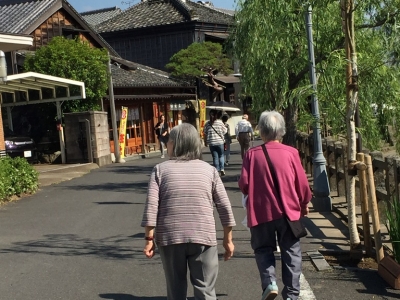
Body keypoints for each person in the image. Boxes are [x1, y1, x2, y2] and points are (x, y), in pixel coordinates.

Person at [142, 123, 236, 300]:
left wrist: (149, 239)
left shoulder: (160, 170)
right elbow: (224, 206)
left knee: (176, 290)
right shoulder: (210, 171)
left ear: (176, 144)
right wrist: (228, 240)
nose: (167, 144)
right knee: (206, 290)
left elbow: (151, 207)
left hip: (170, 238)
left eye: (169, 141)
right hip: (203, 237)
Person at [238, 111, 312, 300]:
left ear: (261, 131)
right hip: (288, 213)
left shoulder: (251, 155)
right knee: (291, 252)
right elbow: (302, 184)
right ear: (282, 132)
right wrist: (303, 203)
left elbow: (244, 185)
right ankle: (292, 295)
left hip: (261, 211)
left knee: (263, 249)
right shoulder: (292, 153)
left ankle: (270, 283)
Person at [203, 110, 227, 176]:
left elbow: (205, 133)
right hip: (220, 142)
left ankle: (217, 170)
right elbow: (225, 131)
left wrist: (205, 142)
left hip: (211, 143)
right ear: (216, 115)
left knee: (215, 157)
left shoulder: (207, 123)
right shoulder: (220, 122)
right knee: (221, 155)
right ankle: (222, 169)